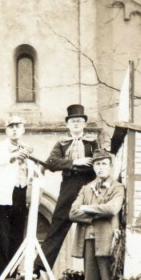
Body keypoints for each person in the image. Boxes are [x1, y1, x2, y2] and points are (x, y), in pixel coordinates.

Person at [39, 104, 103, 270]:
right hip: (69, 185)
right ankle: (39, 267)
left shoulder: (92, 143)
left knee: (92, 224)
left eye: (79, 121)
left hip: (89, 186)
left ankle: (95, 270)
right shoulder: (62, 144)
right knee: (58, 223)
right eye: (73, 121)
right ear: (68, 125)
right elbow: (51, 163)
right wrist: (75, 162)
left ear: (84, 124)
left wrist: (73, 165)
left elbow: (98, 163)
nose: (76, 123)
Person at [69, 150, 124, 280]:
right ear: (93, 167)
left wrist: (87, 208)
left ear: (110, 166)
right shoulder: (86, 188)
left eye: (104, 164)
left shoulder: (117, 187)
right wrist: (96, 214)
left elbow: (112, 208)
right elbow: (73, 213)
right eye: (97, 164)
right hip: (88, 241)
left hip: (107, 240)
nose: (101, 168)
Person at [0, 115, 33, 278]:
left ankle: (12, 278)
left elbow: (32, 169)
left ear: (23, 130)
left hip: (21, 194)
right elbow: (0, 160)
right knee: (2, 240)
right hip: (3, 197)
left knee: (17, 239)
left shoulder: (27, 148)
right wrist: (14, 156)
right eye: (11, 126)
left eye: (18, 126)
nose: (14, 129)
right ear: (6, 130)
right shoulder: (0, 147)